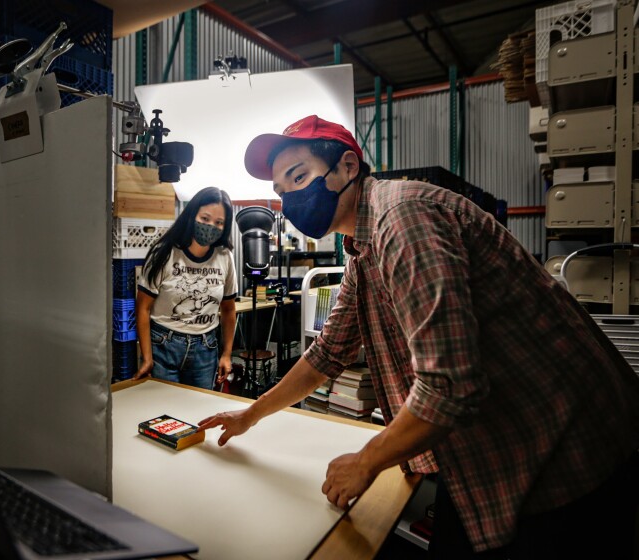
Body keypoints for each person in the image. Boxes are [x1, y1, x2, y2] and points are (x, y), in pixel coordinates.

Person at [198, 115, 639, 558]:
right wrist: (247, 417)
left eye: (299, 177)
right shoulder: (363, 249)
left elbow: (449, 386)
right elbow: (328, 353)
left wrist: (366, 461)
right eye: (281, 192)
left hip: (565, 454)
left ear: (348, 166)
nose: (291, 198)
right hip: (498, 447)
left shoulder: (402, 219)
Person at [133, 186, 237, 390]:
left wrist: (226, 354)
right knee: (165, 411)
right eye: (205, 219)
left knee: (199, 412)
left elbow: (228, 309)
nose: (210, 226)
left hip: (206, 348)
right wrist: (147, 358)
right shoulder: (164, 252)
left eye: (218, 223)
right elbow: (143, 308)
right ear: (192, 215)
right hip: (164, 344)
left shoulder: (225, 257)